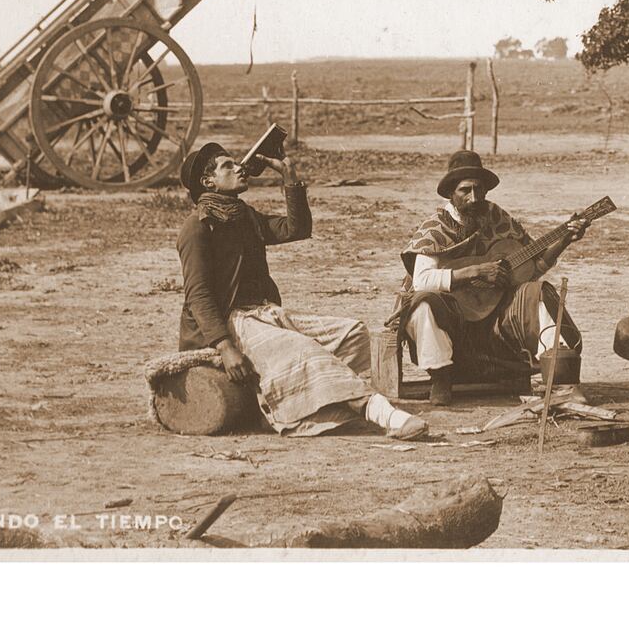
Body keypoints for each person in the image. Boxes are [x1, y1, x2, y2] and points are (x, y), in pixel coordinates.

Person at [174, 140, 425, 440]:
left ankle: (289, 396)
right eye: (228, 165)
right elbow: (198, 296)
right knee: (306, 351)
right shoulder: (198, 228)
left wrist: (289, 177)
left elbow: (297, 229)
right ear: (208, 181)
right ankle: (384, 414)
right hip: (230, 323)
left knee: (354, 335)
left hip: (264, 314)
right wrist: (225, 347)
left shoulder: (244, 215)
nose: (240, 167)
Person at [395, 150, 586, 404]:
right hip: (452, 323)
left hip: (495, 320)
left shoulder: (496, 217)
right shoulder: (434, 228)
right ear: (452, 193)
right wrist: (475, 271)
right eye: (465, 190)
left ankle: (560, 380)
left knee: (537, 292)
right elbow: (421, 281)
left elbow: (531, 268)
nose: (474, 197)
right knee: (423, 303)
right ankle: (441, 377)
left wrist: (563, 241)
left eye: (479, 189)